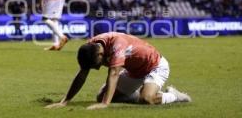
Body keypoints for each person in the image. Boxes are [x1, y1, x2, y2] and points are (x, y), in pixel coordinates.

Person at [45, 32, 191, 110]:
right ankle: (143, 91)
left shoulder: (117, 45)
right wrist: (65, 101)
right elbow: (82, 73)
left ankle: (175, 95)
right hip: (134, 71)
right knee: (102, 95)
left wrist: (105, 104)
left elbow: (114, 73)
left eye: (98, 64)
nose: (97, 68)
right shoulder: (90, 48)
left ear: (101, 55)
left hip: (154, 66)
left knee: (147, 99)